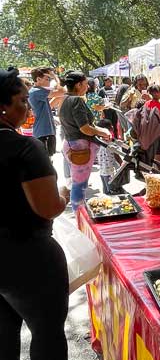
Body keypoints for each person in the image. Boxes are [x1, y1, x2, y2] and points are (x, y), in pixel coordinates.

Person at [0, 67, 69, 360]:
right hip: (29, 257)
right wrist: (64, 195)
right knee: (47, 333)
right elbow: (49, 208)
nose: (28, 108)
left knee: (3, 335)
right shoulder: (25, 147)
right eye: (22, 101)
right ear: (3, 107)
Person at [58, 71, 111, 209]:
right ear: (78, 84)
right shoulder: (76, 100)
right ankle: (79, 215)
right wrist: (102, 131)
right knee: (79, 185)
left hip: (71, 144)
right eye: (86, 84)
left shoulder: (64, 98)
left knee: (78, 183)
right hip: (79, 147)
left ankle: (79, 212)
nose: (87, 87)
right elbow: (84, 128)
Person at [28, 66, 65, 156]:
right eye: (47, 78)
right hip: (43, 132)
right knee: (46, 162)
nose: (49, 80)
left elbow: (52, 103)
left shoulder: (39, 91)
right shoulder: (36, 91)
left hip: (46, 131)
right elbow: (62, 91)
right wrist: (55, 77)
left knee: (49, 160)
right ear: (38, 79)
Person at [96, 119, 125, 195]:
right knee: (113, 191)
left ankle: (107, 196)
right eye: (111, 127)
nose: (112, 128)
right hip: (111, 173)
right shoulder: (110, 145)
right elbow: (117, 156)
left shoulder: (99, 142)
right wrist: (122, 164)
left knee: (106, 190)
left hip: (102, 171)